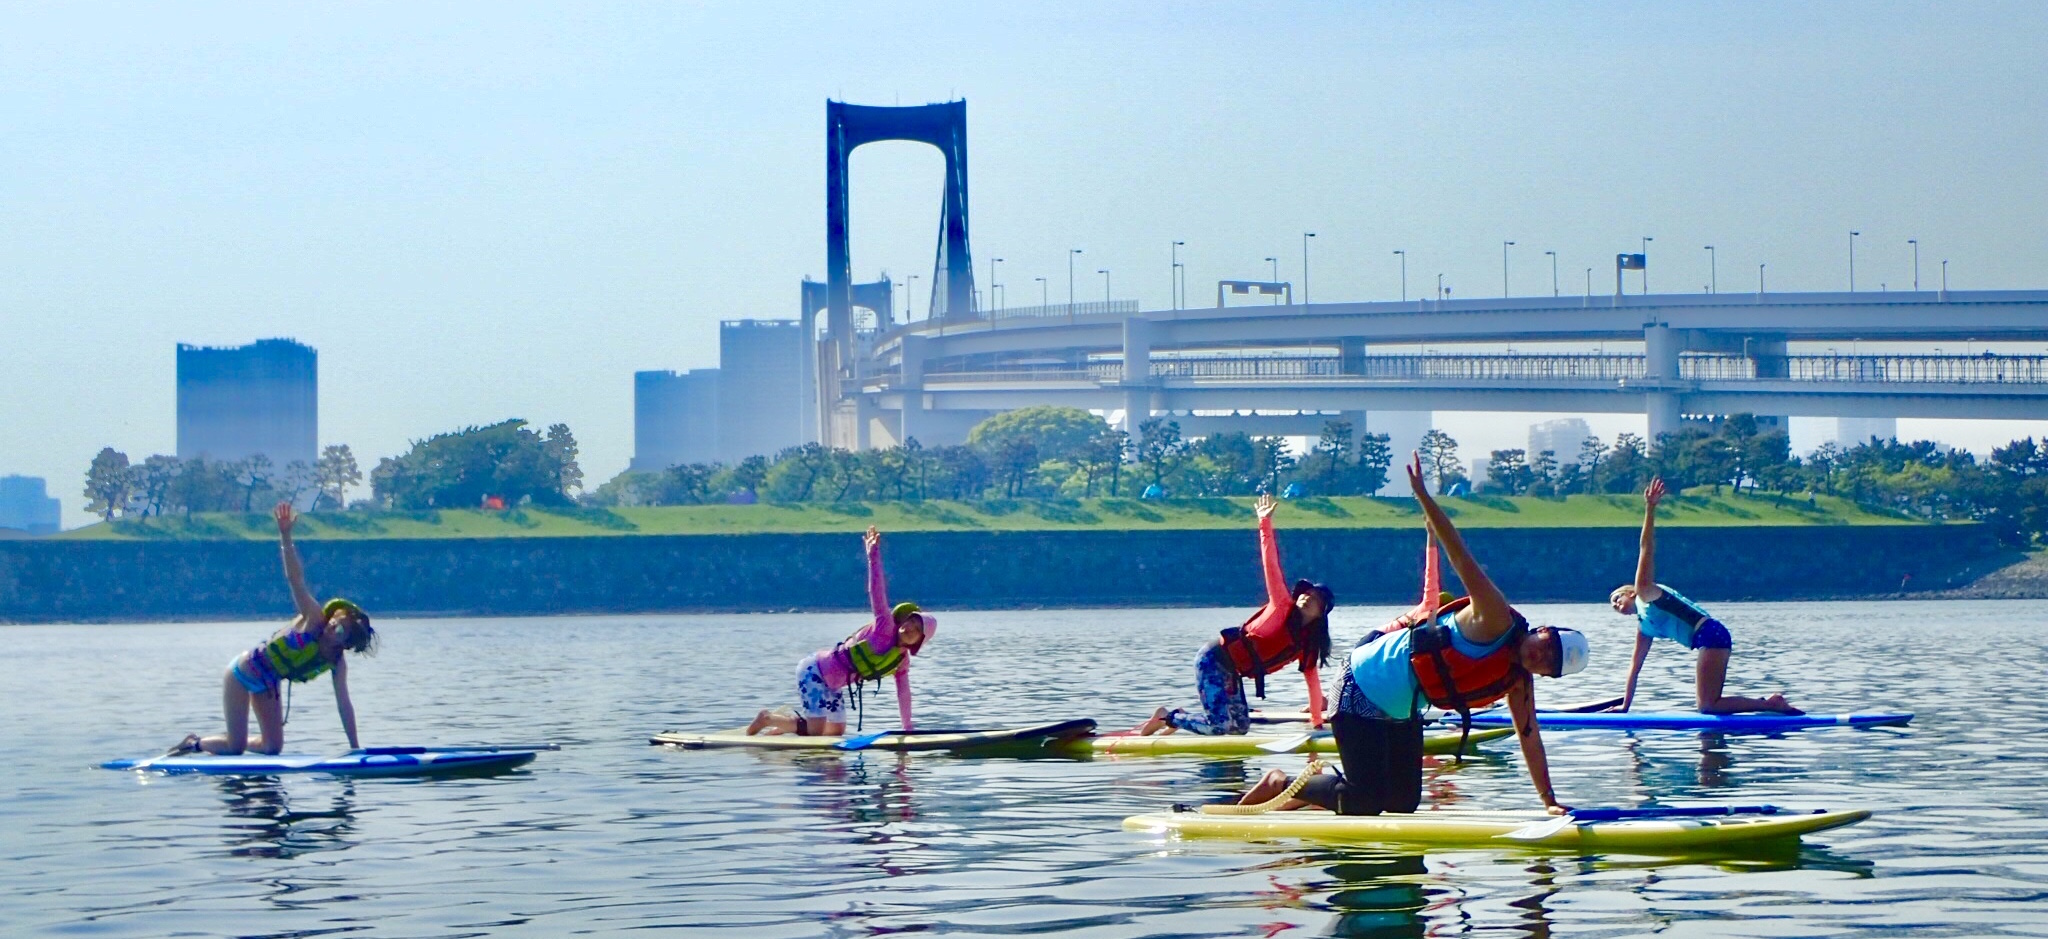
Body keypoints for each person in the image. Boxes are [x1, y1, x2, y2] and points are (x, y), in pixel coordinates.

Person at [1235, 454, 1590, 816]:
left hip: (1403, 709)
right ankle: (1281, 783)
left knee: (1403, 803)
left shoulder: (1518, 682)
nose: (1541, 659)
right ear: (1542, 631)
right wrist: (1424, 496)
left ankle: (1315, 797)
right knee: (1368, 799)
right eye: (1547, 649)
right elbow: (1462, 559)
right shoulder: (1495, 616)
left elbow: (1530, 739)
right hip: (1361, 684)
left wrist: (1550, 802)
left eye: (1550, 666)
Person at [170, 502, 377, 756]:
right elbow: (295, 579)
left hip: (267, 683)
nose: (332, 627)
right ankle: (195, 744)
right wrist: (285, 535)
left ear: (346, 643)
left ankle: (228, 741)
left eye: (340, 630)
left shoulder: (337, 662)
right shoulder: (313, 619)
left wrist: (355, 748)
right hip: (242, 673)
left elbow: (343, 703)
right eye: (335, 621)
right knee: (235, 748)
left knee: (272, 748)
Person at [1135, 493, 1333, 736]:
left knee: (1239, 729)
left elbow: (1313, 684)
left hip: (1231, 671)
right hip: (1213, 659)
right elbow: (1270, 564)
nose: (1306, 598)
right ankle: (1168, 717)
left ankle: (1183, 719)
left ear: (1320, 615)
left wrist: (1317, 725)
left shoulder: (1307, 645)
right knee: (1219, 727)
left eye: (1315, 600)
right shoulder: (1282, 604)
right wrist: (1264, 523)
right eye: (1306, 594)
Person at [1611, 477, 1801, 715]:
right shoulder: (1644, 627)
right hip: (1709, 638)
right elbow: (1635, 667)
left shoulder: (1646, 592)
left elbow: (1646, 547)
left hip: (1710, 633)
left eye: (1617, 598)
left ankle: (1771, 705)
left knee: (1708, 706)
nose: (1616, 605)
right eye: (1613, 606)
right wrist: (1624, 707)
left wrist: (1650, 509)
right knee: (1709, 704)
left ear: (1630, 592)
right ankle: (1769, 705)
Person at [748, 525, 934, 736]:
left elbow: (904, 693)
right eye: (910, 621)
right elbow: (877, 591)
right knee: (816, 733)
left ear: (919, 641)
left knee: (836, 731)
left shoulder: (902, 661)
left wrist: (907, 728)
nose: (909, 628)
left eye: (917, 629)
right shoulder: (884, 627)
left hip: (833, 685)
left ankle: (785, 727)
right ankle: (768, 718)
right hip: (814, 671)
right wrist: (873, 555)